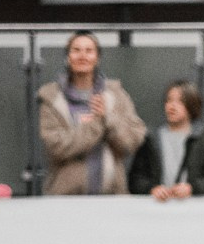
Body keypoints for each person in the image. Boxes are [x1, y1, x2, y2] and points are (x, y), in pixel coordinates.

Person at [37, 31, 146, 196]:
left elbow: (132, 141)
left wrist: (108, 118)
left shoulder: (116, 94)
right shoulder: (51, 97)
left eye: (89, 50)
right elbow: (57, 147)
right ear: (68, 57)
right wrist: (96, 124)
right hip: (65, 199)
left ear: (97, 58)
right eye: (76, 50)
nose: (83, 56)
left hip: (112, 197)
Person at [128, 81, 204, 199]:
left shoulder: (203, 138)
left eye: (180, 101)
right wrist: (152, 189)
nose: (172, 106)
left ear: (191, 105)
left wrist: (192, 188)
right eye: (169, 100)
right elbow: (135, 179)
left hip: (193, 209)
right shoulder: (152, 139)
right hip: (158, 208)